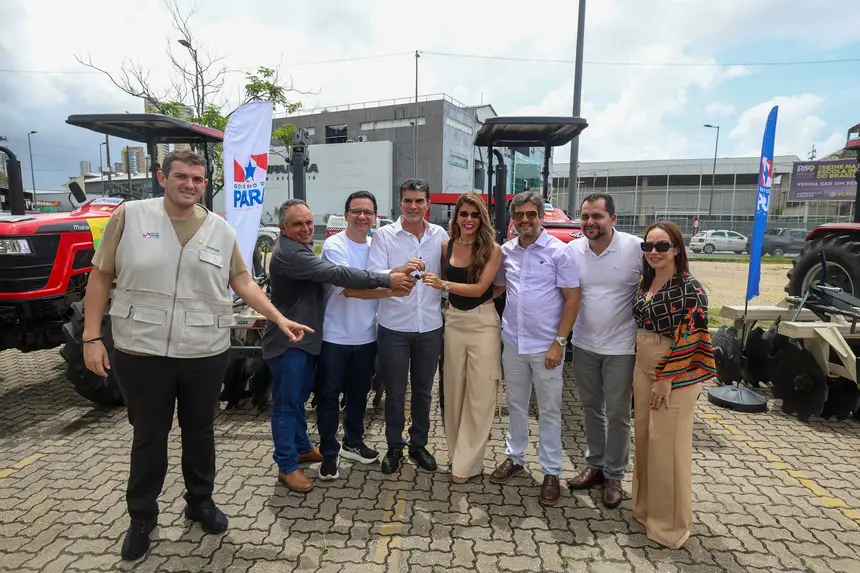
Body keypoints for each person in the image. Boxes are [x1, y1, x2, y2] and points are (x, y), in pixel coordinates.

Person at [81, 149, 312, 562]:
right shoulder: (130, 217)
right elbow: (100, 276)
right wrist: (91, 337)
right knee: (149, 436)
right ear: (162, 178)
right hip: (142, 350)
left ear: (205, 184)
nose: (190, 184)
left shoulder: (220, 230)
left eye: (198, 179)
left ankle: (200, 502)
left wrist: (278, 318)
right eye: (181, 176)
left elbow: (242, 280)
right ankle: (142, 518)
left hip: (204, 351)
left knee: (200, 433)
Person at [262, 199, 416, 493]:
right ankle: (286, 466)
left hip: (305, 339)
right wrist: (388, 280)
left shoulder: (300, 247)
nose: (306, 228)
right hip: (288, 342)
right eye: (297, 224)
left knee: (298, 399)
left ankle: (302, 447)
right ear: (282, 228)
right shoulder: (290, 252)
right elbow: (339, 276)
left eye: (309, 222)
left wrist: (392, 274)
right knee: (287, 405)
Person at [489, 190, 581, 506]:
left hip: (546, 347)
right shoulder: (507, 252)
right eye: (519, 215)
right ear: (513, 219)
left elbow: (573, 299)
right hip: (513, 342)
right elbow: (498, 288)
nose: (525, 220)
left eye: (531, 214)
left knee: (549, 410)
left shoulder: (559, 252)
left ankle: (551, 471)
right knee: (516, 404)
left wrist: (560, 343)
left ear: (541, 216)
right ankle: (515, 457)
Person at [631, 221, 715, 548]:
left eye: (662, 246)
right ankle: (645, 510)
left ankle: (670, 528)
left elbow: (693, 336)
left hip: (674, 372)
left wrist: (666, 378)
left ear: (677, 249)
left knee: (668, 448)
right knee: (645, 441)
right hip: (642, 367)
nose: (654, 252)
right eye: (648, 246)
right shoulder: (646, 282)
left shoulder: (690, 288)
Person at [317, 191, 410, 480]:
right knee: (329, 396)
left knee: (359, 393)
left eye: (368, 212)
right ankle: (328, 453)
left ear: (375, 217)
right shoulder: (335, 245)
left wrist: (403, 272)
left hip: (367, 336)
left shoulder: (375, 246)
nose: (362, 216)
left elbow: (388, 272)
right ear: (346, 215)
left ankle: (353, 442)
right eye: (356, 211)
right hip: (335, 337)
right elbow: (348, 288)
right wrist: (392, 289)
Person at [566, 193, 643, 508]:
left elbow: (663, 279)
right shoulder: (573, 250)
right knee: (591, 408)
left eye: (597, 216)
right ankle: (595, 464)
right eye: (585, 216)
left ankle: (614, 475)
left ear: (613, 219)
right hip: (583, 345)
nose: (589, 222)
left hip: (621, 348)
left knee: (618, 413)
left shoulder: (635, 248)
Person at [367, 178, 448, 474]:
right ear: (400, 203)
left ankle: (419, 445)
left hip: (430, 326)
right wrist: (399, 270)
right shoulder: (384, 235)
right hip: (394, 327)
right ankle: (394, 445)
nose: (414, 206)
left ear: (428, 204)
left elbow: (450, 273)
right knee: (396, 392)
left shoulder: (440, 235)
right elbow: (373, 274)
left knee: (424, 391)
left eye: (419, 201)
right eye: (408, 201)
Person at [421, 192, 503, 483]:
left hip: (483, 324)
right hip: (454, 321)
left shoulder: (492, 249)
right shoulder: (447, 246)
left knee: (480, 394)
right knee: (454, 391)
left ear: (482, 218)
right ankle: (456, 454)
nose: (469, 219)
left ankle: (468, 463)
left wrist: (443, 285)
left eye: (475, 214)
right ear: (456, 217)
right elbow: (449, 287)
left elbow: (481, 288)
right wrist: (445, 292)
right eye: (464, 213)